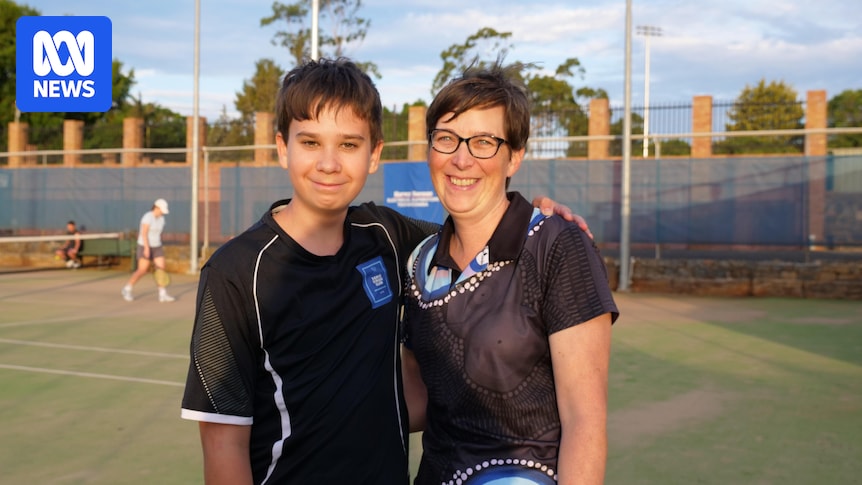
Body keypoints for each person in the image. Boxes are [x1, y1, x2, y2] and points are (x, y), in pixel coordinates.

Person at [179, 58, 587, 485]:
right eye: (311, 142)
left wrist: (537, 215)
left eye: (349, 145)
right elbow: (223, 444)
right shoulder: (235, 272)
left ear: (374, 154)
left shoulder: (387, 236)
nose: (329, 163)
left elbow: (477, 230)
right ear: (283, 147)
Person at [401, 63, 620, 485]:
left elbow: (585, 422)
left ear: (514, 157)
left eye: (484, 142)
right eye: (446, 138)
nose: (461, 158)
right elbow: (420, 400)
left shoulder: (557, 245)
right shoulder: (420, 261)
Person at [121, 198, 175, 303]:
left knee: (161, 269)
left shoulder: (162, 219)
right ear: (156, 208)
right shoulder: (147, 217)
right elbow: (144, 233)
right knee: (142, 270)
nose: (162, 212)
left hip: (157, 246)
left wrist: (158, 245)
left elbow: (158, 234)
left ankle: (162, 294)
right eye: (162, 210)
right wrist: (146, 248)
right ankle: (127, 289)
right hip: (144, 245)